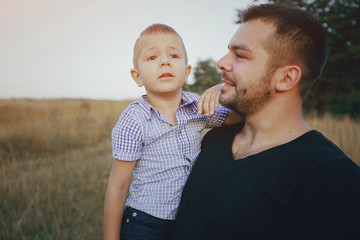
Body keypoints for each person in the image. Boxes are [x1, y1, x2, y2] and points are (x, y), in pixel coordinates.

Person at [173, 4, 360, 240]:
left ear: (286, 78)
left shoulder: (333, 182)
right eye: (228, 51)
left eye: (240, 55)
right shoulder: (215, 139)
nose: (221, 62)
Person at [103, 23, 242, 240]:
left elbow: (240, 117)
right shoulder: (134, 120)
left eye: (174, 55)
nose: (165, 61)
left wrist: (219, 90)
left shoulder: (198, 107)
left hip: (190, 218)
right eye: (152, 58)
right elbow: (118, 187)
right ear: (137, 76)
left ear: (186, 72)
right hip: (145, 222)